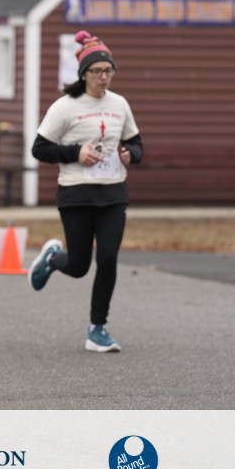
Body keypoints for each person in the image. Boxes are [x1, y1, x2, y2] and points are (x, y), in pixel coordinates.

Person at [28, 30, 143, 353]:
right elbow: (40, 148)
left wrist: (130, 154)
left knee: (107, 258)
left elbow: (135, 142)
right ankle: (53, 259)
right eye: (97, 71)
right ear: (84, 73)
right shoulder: (65, 107)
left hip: (113, 193)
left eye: (108, 70)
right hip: (76, 192)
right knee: (79, 266)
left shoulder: (119, 104)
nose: (103, 77)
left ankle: (97, 329)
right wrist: (76, 152)